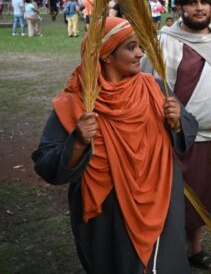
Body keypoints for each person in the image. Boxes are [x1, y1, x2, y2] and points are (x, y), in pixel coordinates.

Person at [31, 17, 198, 273]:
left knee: (163, 264)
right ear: (107, 56)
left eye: (140, 46)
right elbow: (46, 162)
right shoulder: (77, 101)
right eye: (131, 47)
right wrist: (78, 141)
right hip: (110, 216)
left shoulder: (153, 88)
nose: (140, 53)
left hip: (162, 200)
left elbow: (188, 126)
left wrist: (177, 123)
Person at [142, 0, 211, 270]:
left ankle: (193, 248)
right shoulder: (165, 41)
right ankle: (171, 251)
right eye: (192, 2)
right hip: (175, 136)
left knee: (205, 195)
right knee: (174, 198)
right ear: (180, 8)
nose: (199, 8)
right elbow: (151, 87)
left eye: (204, 2)